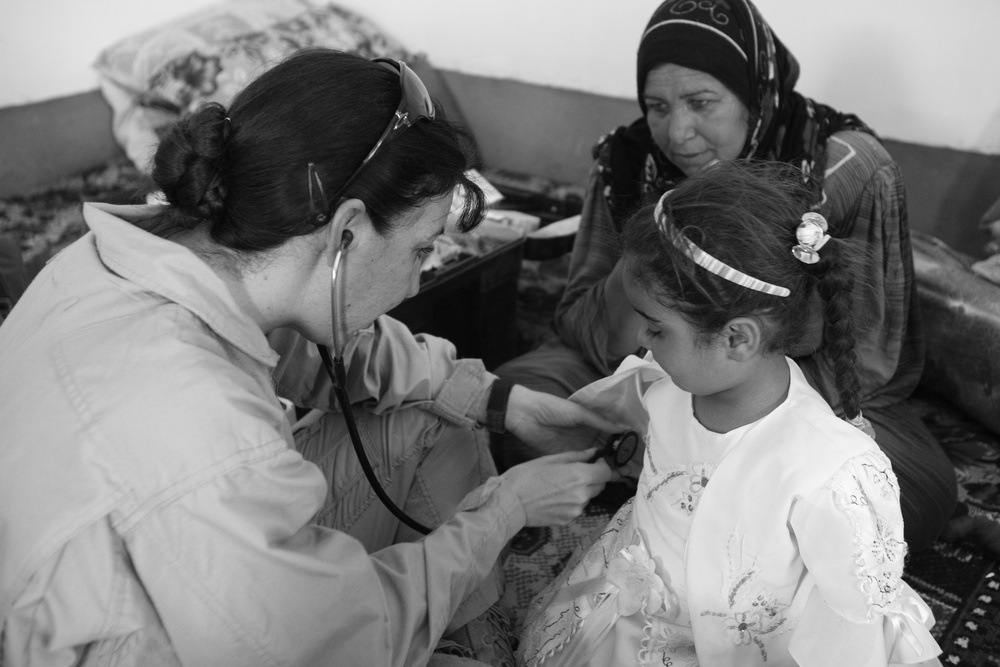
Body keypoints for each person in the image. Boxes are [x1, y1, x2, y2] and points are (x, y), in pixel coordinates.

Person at [0, 49, 622, 667]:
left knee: (432, 415)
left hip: (160, 565)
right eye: (420, 249)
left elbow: (321, 349)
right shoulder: (203, 423)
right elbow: (328, 648)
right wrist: (507, 510)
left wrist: (501, 401)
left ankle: (456, 639)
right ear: (346, 231)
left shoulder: (170, 253)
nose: (413, 284)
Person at [493, 0, 957, 551]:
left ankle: (661, 474)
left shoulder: (846, 167)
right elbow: (581, 324)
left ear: (754, 94)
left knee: (907, 495)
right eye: (657, 107)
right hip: (643, 359)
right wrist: (657, 244)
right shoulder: (627, 160)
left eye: (701, 103)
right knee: (515, 409)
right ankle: (696, 488)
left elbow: (873, 350)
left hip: (787, 390)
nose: (677, 132)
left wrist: (723, 407)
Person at [516, 160, 943, 667]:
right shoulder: (668, 386)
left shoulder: (827, 472)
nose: (639, 340)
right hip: (634, 626)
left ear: (737, 338)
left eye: (655, 327)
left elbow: (860, 618)